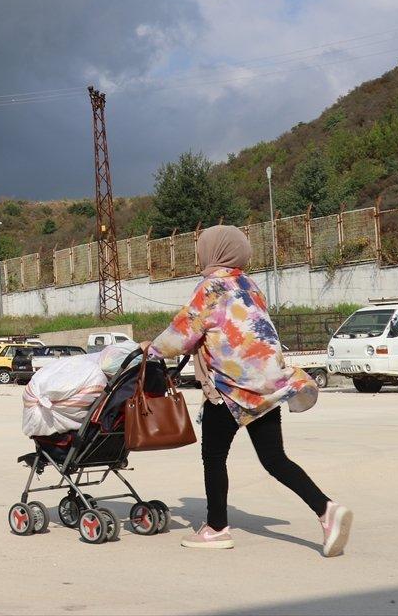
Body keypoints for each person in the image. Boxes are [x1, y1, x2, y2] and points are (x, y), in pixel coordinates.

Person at [147, 224, 351, 555]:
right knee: (274, 458)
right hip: (267, 386)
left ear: (212, 252)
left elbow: (183, 333)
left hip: (232, 389)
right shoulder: (249, 286)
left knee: (213, 456)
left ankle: (215, 528)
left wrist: (150, 350)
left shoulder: (211, 288)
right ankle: (326, 509)